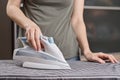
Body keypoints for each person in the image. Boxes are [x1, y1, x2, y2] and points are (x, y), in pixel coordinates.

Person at [7, 0, 118, 63]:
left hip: (68, 56)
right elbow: (11, 7)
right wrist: (29, 24)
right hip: (32, 53)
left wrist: (87, 51)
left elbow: (77, 20)